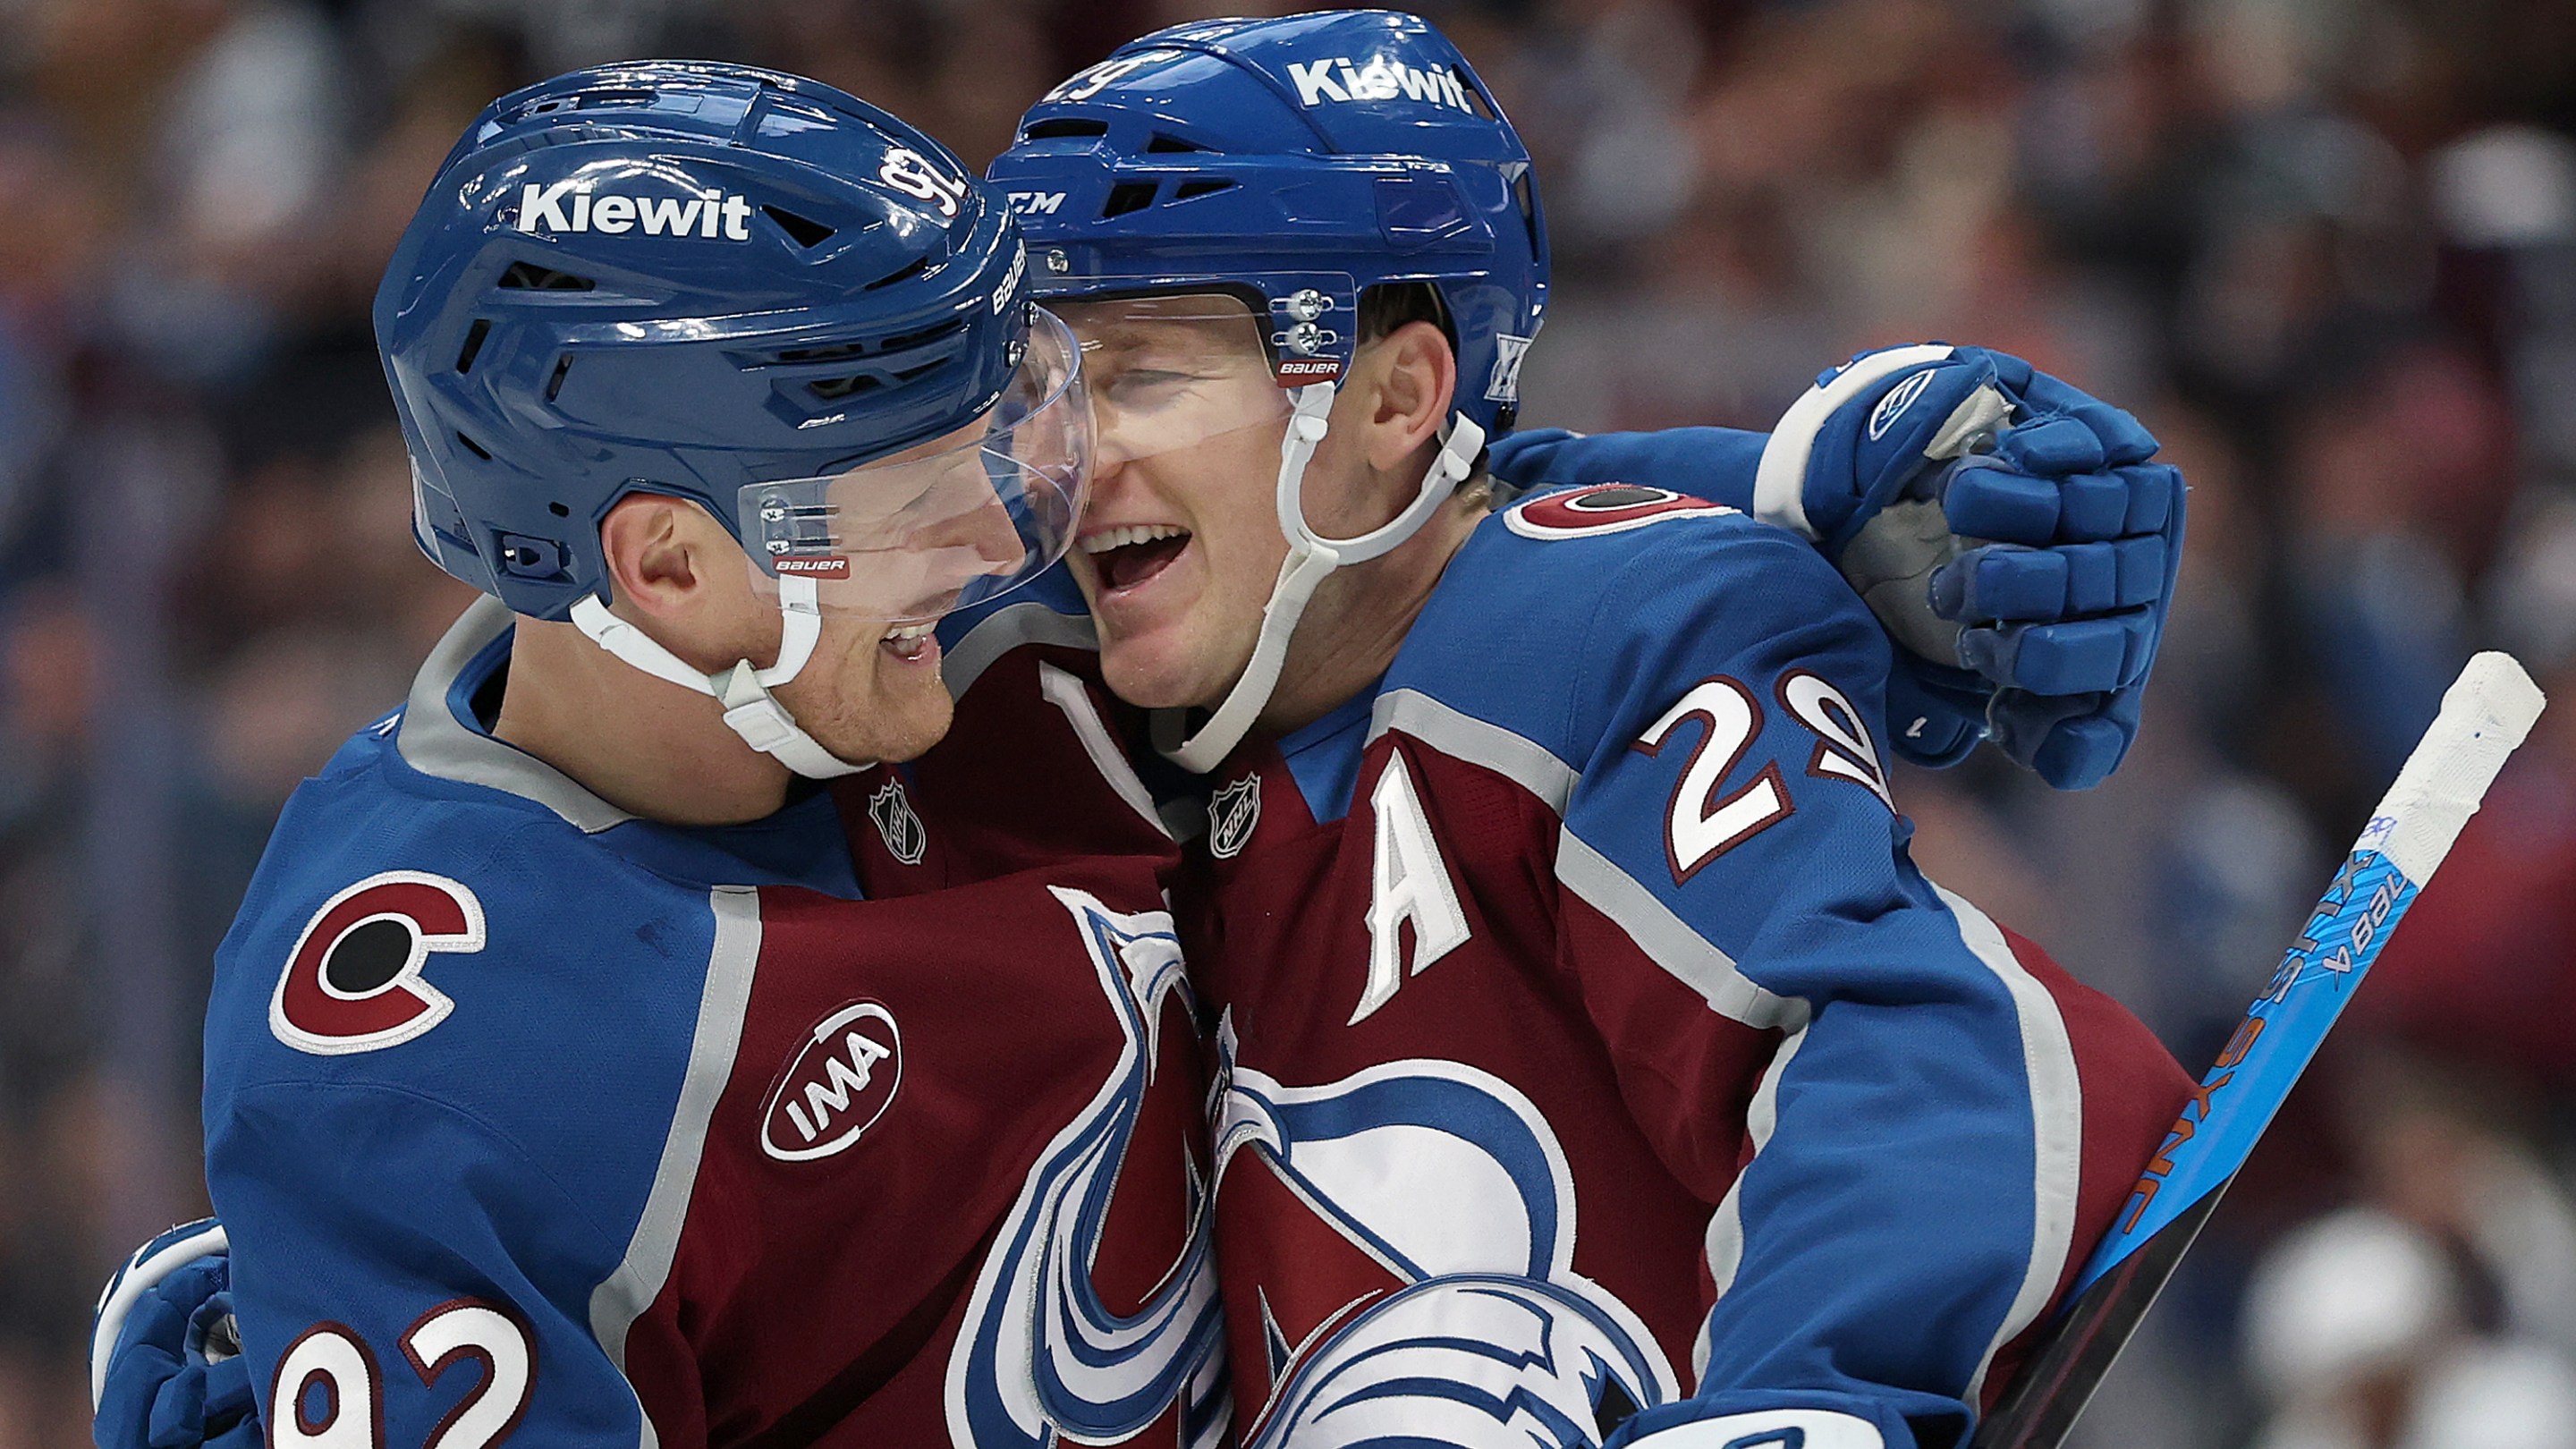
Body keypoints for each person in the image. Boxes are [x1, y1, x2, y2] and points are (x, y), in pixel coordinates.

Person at [980, 13, 2197, 1448]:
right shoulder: (1062, 697)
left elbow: (1920, 1049)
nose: (1070, 453)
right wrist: (1756, 475)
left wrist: (1814, 1399)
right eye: (1044, 386)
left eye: (1144, 374)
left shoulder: (1590, 635)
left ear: (1393, 395)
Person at [89, 62, 1233, 1449]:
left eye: (989, 449)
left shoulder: (992, 656)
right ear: (671, 566)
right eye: (918, 500)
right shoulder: (432, 1075)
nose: (999, 545)